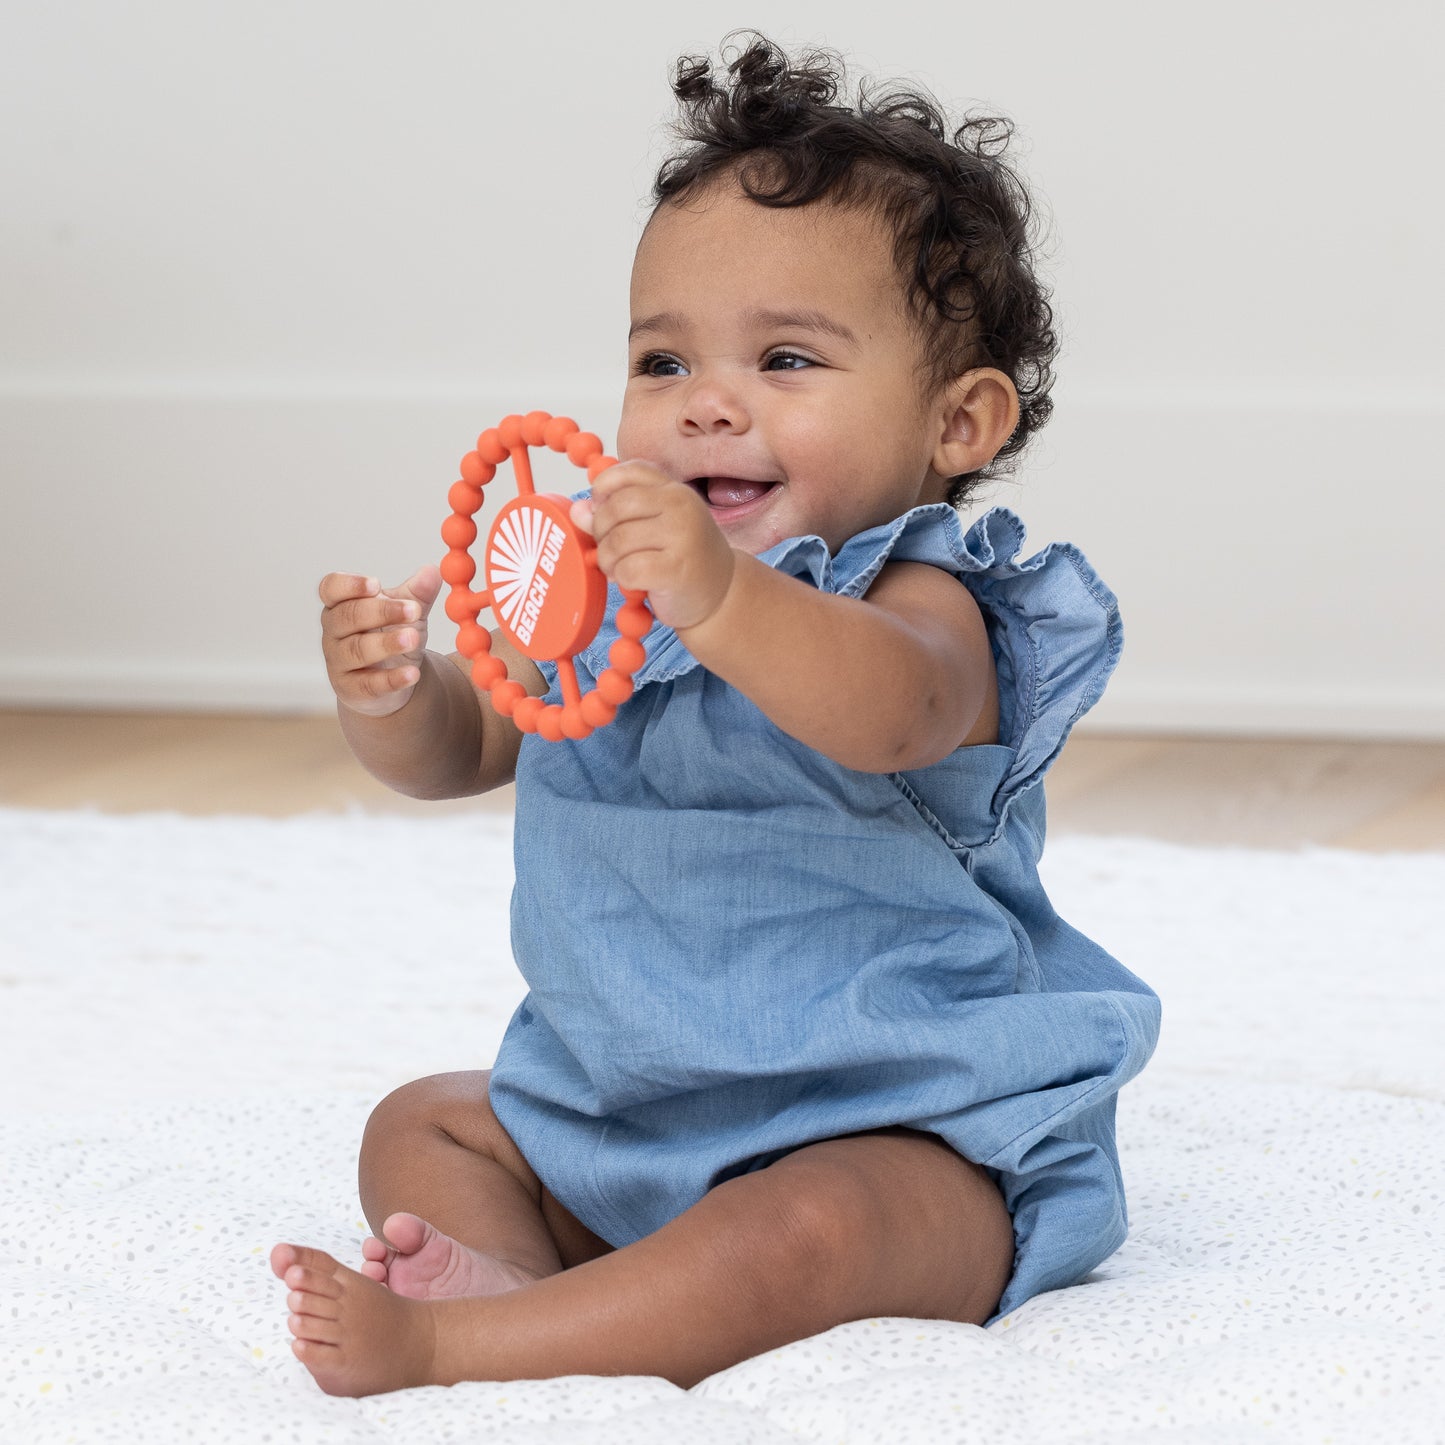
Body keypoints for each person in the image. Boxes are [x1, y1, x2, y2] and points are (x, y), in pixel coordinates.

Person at [272, 33, 1161, 1396]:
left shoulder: (934, 605)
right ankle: (537, 1284)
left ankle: (466, 1341)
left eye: (788, 358)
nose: (706, 408)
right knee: (426, 1124)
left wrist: (715, 601)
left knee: (807, 1231)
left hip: (897, 1129)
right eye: (663, 362)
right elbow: (469, 750)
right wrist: (397, 694)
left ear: (958, 421)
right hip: (620, 1113)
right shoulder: (600, 588)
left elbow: (883, 711)